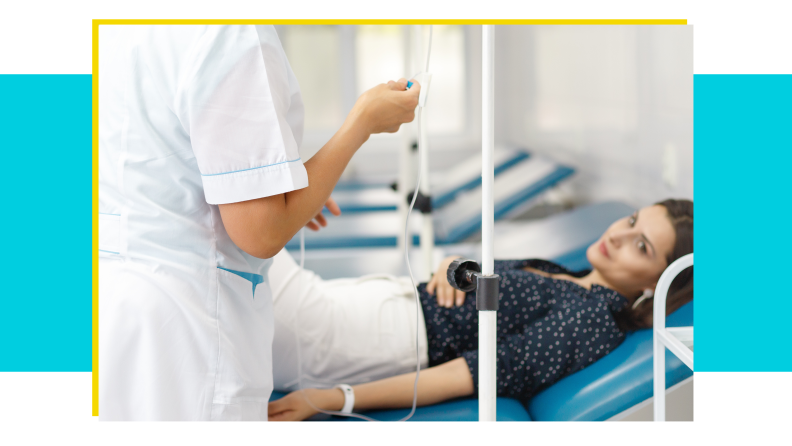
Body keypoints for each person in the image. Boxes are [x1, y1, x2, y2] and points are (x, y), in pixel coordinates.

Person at [98, 25, 420, 421]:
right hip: (189, 325)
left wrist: (273, 184)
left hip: (116, 307)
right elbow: (260, 231)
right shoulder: (229, 31)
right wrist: (362, 123)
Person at [266, 199, 693, 421]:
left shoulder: (592, 320)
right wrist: (450, 269)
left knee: (240, 238)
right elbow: (477, 277)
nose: (620, 234)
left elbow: (477, 373)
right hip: (376, 305)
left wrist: (334, 399)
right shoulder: (572, 275)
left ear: (656, 282)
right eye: (633, 220)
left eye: (642, 246)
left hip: (368, 337)